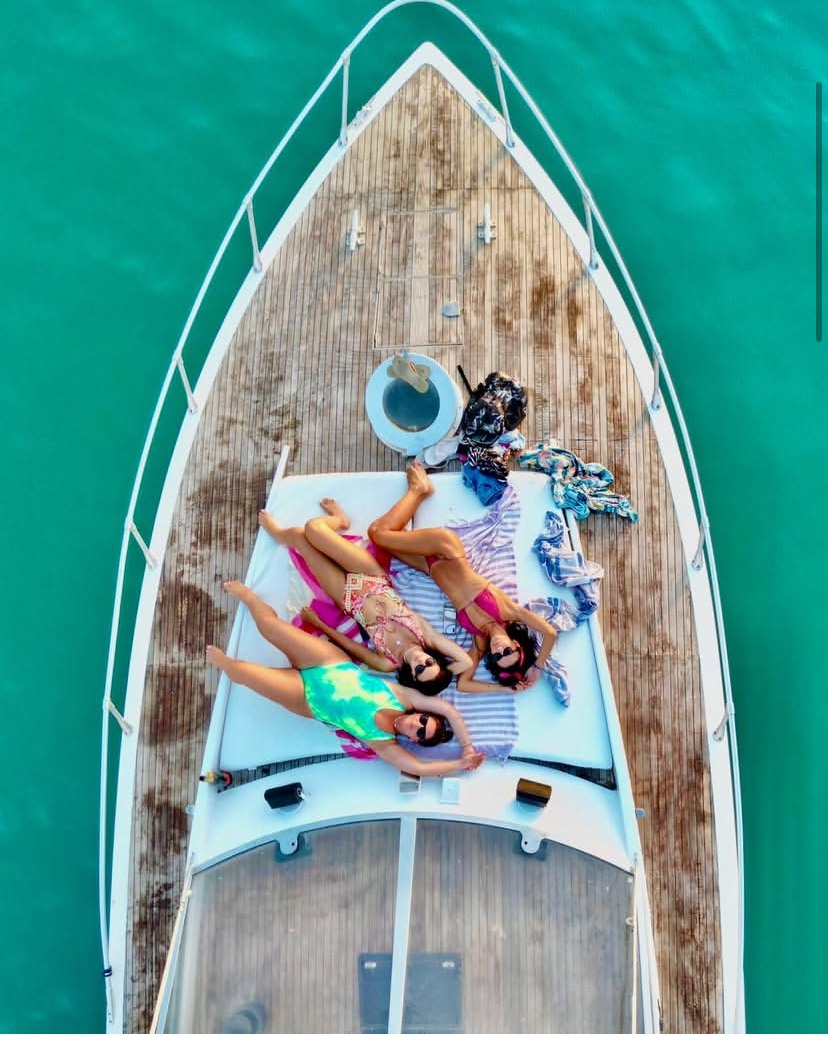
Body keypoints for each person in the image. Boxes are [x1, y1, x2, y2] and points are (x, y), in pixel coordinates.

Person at [207, 581, 485, 776]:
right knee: (269, 627)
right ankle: (250, 597)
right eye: (425, 721)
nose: (419, 725)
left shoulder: (385, 743)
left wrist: (460, 765)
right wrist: (467, 747)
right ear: (424, 713)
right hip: (329, 662)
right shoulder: (405, 699)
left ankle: (223, 663)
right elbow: (449, 710)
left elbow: (421, 769)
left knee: (241, 672)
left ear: (416, 740)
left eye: (420, 733)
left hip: (307, 698)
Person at [367, 462, 559, 692]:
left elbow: (463, 685)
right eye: (508, 651)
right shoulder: (509, 612)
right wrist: (537, 666)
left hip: (429, 567)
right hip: (446, 551)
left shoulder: (479, 642)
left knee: (383, 540)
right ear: (516, 644)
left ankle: (420, 492)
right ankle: (418, 490)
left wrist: (504, 689)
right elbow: (550, 632)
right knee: (377, 533)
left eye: (498, 656)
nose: (500, 649)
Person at [257, 499, 472, 694]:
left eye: (419, 670)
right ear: (434, 659)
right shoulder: (426, 636)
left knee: (300, 538)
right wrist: (444, 676)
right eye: (429, 664)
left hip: (346, 596)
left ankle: (278, 534)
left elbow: (351, 648)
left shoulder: (388, 663)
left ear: (411, 675)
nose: (421, 662)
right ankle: (340, 520)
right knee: (314, 528)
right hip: (372, 577)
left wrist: (319, 625)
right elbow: (465, 662)